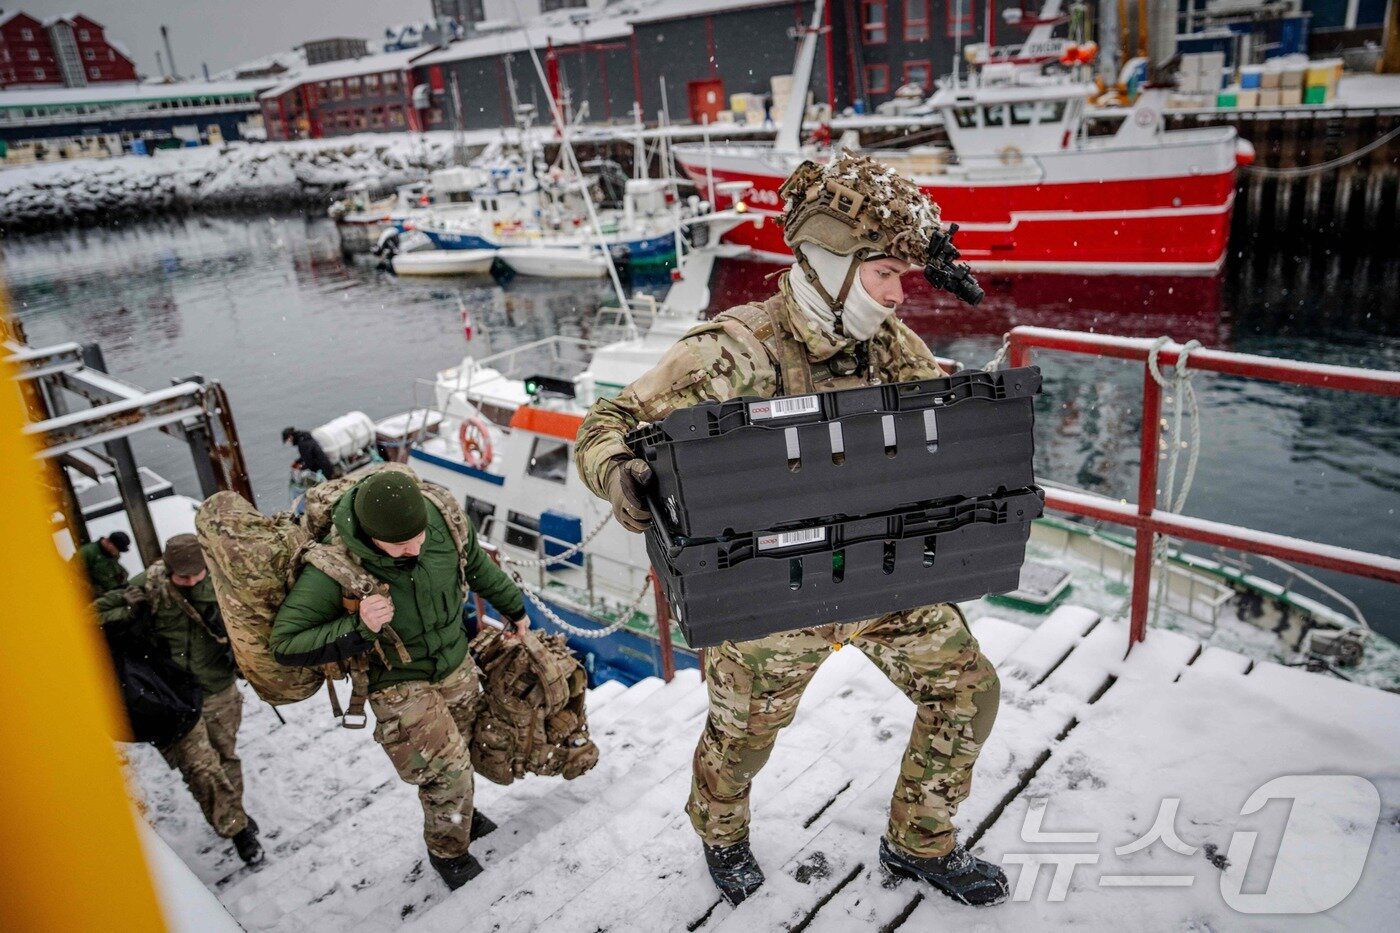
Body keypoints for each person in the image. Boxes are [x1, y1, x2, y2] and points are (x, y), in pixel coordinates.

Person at [574, 154, 1007, 908]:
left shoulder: (888, 343)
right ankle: (721, 830)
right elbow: (606, 422)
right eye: (885, 276)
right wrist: (620, 473)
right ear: (833, 265)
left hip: (880, 571)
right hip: (773, 587)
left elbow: (936, 415)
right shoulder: (732, 349)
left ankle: (919, 839)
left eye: (903, 277)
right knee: (741, 740)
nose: (899, 295)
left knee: (968, 689)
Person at [269, 470, 530, 890]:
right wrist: (358, 627)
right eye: (401, 545)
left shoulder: (441, 519)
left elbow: (477, 566)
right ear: (371, 537)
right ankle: (450, 854)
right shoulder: (334, 566)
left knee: (463, 746)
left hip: (453, 660)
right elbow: (286, 643)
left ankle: (459, 811)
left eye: (419, 536)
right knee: (448, 771)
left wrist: (514, 609)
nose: (416, 548)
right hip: (396, 679)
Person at [95, 533, 264, 865]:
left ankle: (234, 811)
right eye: (181, 575)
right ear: (167, 566)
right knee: (200, 768)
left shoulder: (223, 580)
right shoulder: (149, 585)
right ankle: (236, 829)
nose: (189, 581)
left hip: (218, 688)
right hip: (174, 698)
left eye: (195, 574)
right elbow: (88, 616)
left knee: (224, 757)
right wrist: (130, 611)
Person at [72, 530, 131, 596]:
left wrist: (122, 576)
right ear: (109, 543)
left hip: (114, 591)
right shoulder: (87, 553)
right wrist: (92, 590)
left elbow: (111, 569)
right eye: (117, 549)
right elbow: (70, 574)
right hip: (90, 597)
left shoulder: (111, 554)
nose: (117, 553)